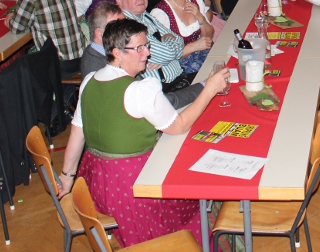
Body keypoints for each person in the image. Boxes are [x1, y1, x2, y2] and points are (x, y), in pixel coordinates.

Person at [56, 18, 229, 247]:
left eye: (146, 45)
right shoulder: (140, 90)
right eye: (139, 48)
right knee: (192, 196)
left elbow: (77, 136)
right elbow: (178, 126)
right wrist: (210, 89)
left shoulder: (89, 81)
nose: (147, 52)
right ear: (117, 53)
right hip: (132, 191)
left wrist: (67, 177)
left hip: (95, 186)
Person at [150, 0, 214, 77]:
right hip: (181, 67)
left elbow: (209, 36)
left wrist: (200, 17)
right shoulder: (161, 14)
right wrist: (194, 47)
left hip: (204, 54)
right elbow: (164, 58)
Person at [79, 2, 124, 77]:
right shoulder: (95, 65)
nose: (126, 31)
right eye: (117, 28)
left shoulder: (112, 51)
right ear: (100, 34)